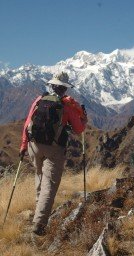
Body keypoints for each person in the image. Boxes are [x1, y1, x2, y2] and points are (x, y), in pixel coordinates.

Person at [19, 72, 87, 236]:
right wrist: (83, 117)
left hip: (34, 145)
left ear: (52, 86)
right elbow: (79, 129)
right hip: (54, 149)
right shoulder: (67, 105)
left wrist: (23, 145)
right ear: (64, 88)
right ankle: (39, 223)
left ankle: (38, 208)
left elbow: (28, 123)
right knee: (49, 185)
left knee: (39, 175)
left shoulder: (39, 100)